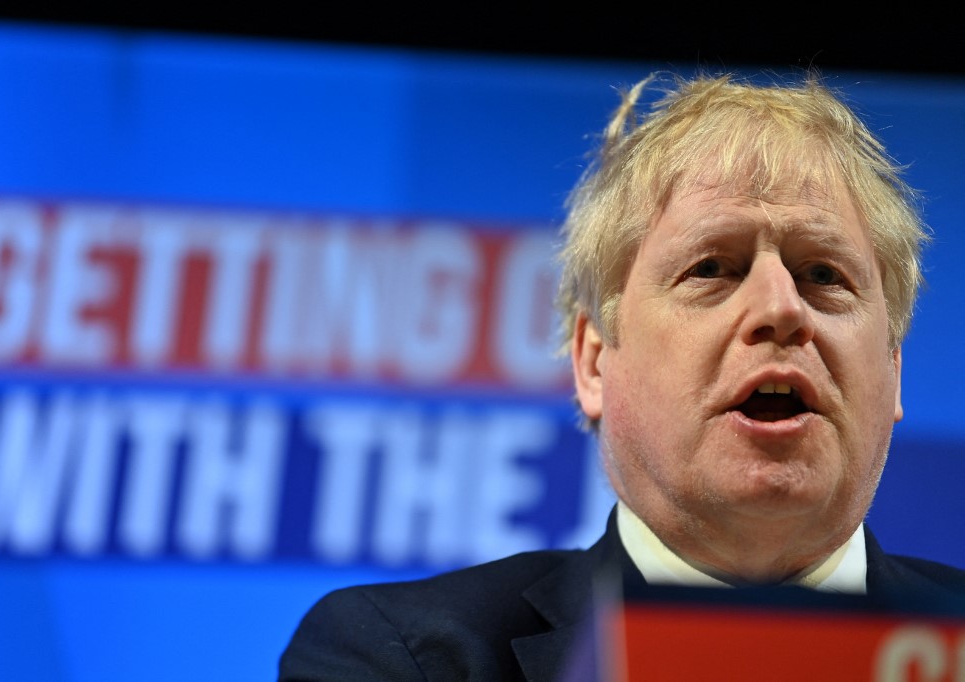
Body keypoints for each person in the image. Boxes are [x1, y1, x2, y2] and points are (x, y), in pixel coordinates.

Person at [277, 70, 965, 681]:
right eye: (711, 269)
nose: (781, 308)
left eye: (823, 274)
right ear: (593, 360)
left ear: (893, 368)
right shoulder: (403, 657)